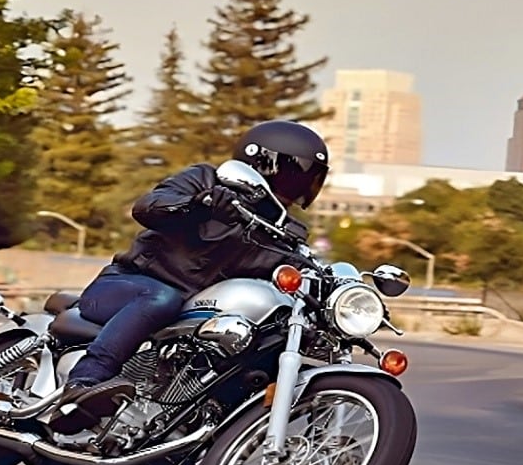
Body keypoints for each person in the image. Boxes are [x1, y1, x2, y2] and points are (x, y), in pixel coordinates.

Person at [49, 120, 331, 434]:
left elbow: (298, 269)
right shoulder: (205, 180)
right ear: (260, 161)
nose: (300, 187)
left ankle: (208, 447)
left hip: (193, 310)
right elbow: (147, 208)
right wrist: (201, 205)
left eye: (309, 179)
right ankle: (83, 383)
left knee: (261, 345)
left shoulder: (285, 231)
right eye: (294, 175)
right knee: (162, 298)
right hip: (128, 284)